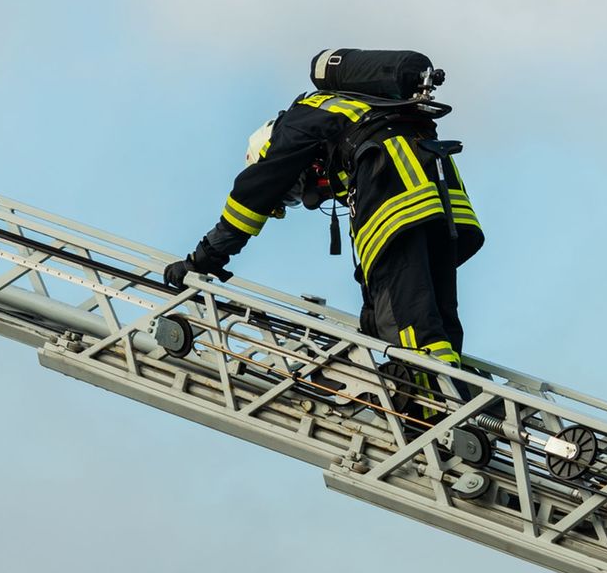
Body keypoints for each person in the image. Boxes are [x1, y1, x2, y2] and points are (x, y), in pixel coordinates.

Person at [163, 48, 483, 378]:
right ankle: (452, 389)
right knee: (436, 316)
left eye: (292, 193)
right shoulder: (356, 111)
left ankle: (427, 405)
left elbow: (252, 196)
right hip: (445, 201)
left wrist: (203, 259)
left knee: (406, 320)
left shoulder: (297, 123)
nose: (300, 196)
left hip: (396, 199)